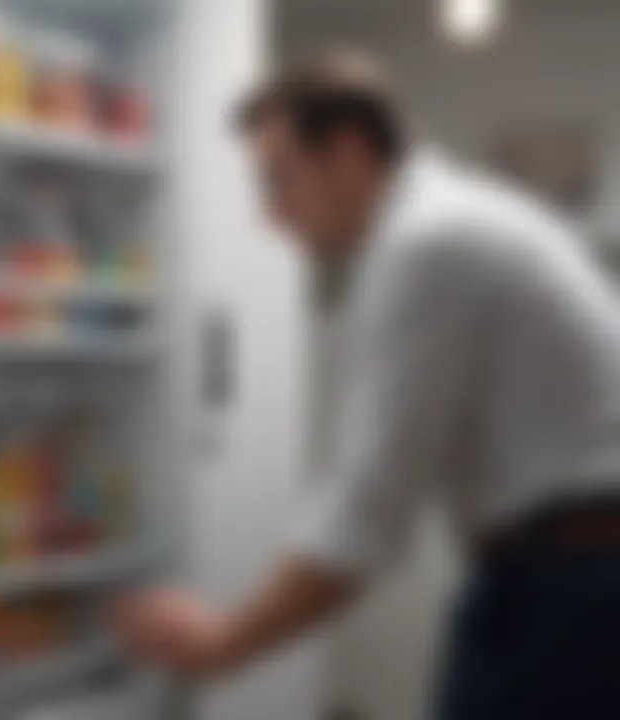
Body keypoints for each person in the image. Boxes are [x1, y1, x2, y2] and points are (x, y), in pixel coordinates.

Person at [113, 50, 620, 719]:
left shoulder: (428, 243)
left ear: (348, 152)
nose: (270, 215)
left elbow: (367, 511)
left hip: (572, 586)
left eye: (279, 178)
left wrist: (220, 644)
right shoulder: (448, 225)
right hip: (564, 576)